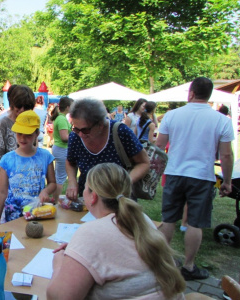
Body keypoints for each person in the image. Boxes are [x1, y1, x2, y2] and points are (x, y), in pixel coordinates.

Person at [47, 163, 185, 300]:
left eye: (85, 188)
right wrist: (79, 252)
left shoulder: (92, 233)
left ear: (93, 196)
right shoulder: (141, 219)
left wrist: (59, 264)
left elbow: (58, 297)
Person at [156, 77, 234, 280]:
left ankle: (165, 262)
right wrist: (226, 181)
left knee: (168, 219)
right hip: (202, 175)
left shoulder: (172, 115)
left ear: (190, 92)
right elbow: (226, 155)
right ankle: (189, 266)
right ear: (209, 95)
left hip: (174, 172)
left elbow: (159, 146)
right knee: (194, 223)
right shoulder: (221, 120)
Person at [65, 98, 150, 201]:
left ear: (100, 125)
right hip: (89, 198)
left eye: (85, 130)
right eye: (75, 128)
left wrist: (124, 184)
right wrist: (72, 182)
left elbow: (144, 163)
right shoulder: (75, 136)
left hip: (119, 197)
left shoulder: (120, 132)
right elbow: (70, 162)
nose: (81, 134)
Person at [0, 110, 56, 224]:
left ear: (37, 134)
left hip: (37, 214)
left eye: (28, 135)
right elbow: (2, 191)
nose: (23, 138)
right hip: (13, 217)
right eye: (19, 134)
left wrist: (46, 191)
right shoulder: (7, 160)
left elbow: (53, 183)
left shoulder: (45, 157)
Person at [0, 85, 36, 194]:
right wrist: (5, 189)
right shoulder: (4, 123)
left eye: (26, 107)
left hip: (27, 182)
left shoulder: (32, 122)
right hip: (6, 184)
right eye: (19, 106)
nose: (22, 110)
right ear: (12, 104)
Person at [51, 97, 73, 200]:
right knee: (60, 178)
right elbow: (64, 137)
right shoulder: (62, 119)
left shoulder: (60, 117)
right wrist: (75, 137)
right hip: (62, 149)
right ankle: (56, 201)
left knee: (58, 177)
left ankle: (55, 200)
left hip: (59, 148)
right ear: (68, 107)